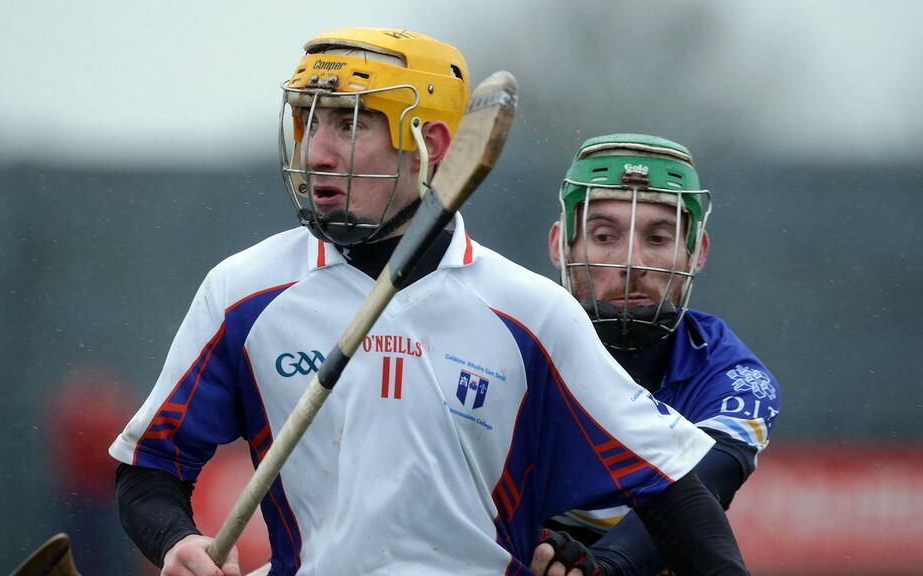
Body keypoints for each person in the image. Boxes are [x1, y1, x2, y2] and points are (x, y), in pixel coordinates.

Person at [109, 29, 749, 576]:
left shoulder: (532, 315)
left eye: (351, 123)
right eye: (309, 120)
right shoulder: (242, 294)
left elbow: (674, 494)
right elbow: (148, 468)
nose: (318, 151)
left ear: (432, 147)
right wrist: (178, 541)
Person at [544, 133, 781, 575]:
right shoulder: (511, 344)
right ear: (561, 246)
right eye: (603, 235)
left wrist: (608, 567)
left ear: (696, 254)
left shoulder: (732, 375)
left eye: (657, 238)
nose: (631, 262)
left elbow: (703, 485)